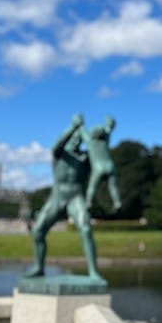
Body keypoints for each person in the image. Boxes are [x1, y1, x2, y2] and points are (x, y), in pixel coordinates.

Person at [25, 114, 102, 280]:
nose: (75, 140)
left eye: (78, 139)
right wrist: (74, 127)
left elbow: (94, 150)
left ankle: (93, 271)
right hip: (57, 197)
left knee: (86, 230)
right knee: (38, 231)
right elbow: (57, 145)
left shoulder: (85, 159)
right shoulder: (59, 154)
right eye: (73, 137)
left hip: (76, 197)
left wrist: (83, 130)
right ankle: (38, 267)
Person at [80, 116, 122, 211]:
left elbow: (83, 131)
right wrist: (109, 123)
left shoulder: (90, 142)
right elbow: (108, 130)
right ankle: (117, 202)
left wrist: (81, 123)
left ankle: (88, 202)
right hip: (110, 166)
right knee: (113, 186)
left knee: (92, 186)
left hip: (98, 167)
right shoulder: (105, 140)